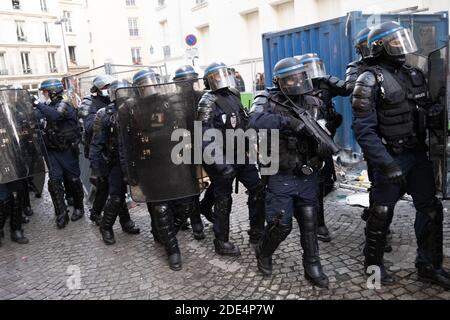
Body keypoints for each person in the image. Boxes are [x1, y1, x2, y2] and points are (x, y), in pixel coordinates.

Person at [352, 21, 450, 288]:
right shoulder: (369, 79)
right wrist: (385, 163)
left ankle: (429, 266)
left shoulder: (414, 74)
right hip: (390, 156)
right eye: (396, 42)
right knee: (381, 212)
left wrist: (438, 111)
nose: (402, 47)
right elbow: (363, 130)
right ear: (380, 47)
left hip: (418, 154)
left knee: (431, 210)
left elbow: (425, 110)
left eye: (403, 40)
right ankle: (373, 268)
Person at [249, 57, 331, 288]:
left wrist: (324, 145)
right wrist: (289, 123)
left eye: (299, 76)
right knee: (281, 224)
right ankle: (264, 251)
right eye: (290, 78)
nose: (296, 82)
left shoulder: (313, 101)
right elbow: (253, 121)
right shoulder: (267, 99)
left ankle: (312, 265)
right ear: (280, 81)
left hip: (308, 172)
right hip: (280, 172)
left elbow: (324, 127)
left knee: (309, 220)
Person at [197, 62, 265, 256]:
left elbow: (242, 121)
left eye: (223, 75)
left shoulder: (234, 93)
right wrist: (220, 163)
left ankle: (257, 230)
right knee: (223, 197)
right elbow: (203, 134)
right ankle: (221, 241)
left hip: (240, 153)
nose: (221, 79)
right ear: (209, 80)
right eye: (216, 77)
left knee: (257, 188)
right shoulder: (207, 101)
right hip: (219, 155)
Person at [295, 53, 348, 243]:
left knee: (324, 182)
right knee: (313, 183)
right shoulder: (298, 87)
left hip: (326, 140)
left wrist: (329, 78)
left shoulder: (324, 84)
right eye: (309, 67)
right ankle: (317, 223)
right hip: (308, 140)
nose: (313, 70)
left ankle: (314, 217)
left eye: (315, 66)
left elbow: (347, 89)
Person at [89, 79, 140, 245]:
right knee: (116, 195)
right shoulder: (103, 114)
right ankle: (106, 226)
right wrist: (96, 169)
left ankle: (125, 221)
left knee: (127, 193)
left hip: (133, 158)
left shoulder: (135, 110)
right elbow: (96, 143)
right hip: (114, 161)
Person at [33, 79, 84, 229]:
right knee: (54, 182)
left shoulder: (64, 104)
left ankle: (79, 208)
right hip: (53, 151)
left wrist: (37, 104)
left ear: (53, 91)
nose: (43, 94)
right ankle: (62, 213)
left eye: (45, 91)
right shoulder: (49, 106)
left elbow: (55, 116)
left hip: (67, 150)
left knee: (73, 180)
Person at [79, 74, 115, 225]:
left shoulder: (113, 100)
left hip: (113, 148)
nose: (108, 90)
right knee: (105, 185)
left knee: (111, 186)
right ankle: (96, 213)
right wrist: (104, 114)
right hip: (99, 151)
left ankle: (97, 213)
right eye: (105, 87)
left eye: (109, 87)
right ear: (98, 89)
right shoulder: (89, 102)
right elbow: (87, 126)